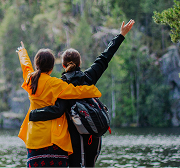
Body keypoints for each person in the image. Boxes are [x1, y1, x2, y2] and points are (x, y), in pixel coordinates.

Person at [29, 19, 135, 168]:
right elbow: (105, 57)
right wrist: (121, 35)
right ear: (79, 63)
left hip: (73, 137)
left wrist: (34, 114)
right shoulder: (89, 78)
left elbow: (57, 110)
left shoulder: (61, 85)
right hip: (93, 134)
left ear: (64, 65)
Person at [16, 42, 103, 168]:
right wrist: (93, 91)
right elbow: (75, 91)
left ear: (37, 65)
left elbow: (26, 68)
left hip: (34, 139)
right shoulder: (55, 83)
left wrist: (22, 52)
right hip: (54, 141)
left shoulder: (30, 80)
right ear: (51, 68)